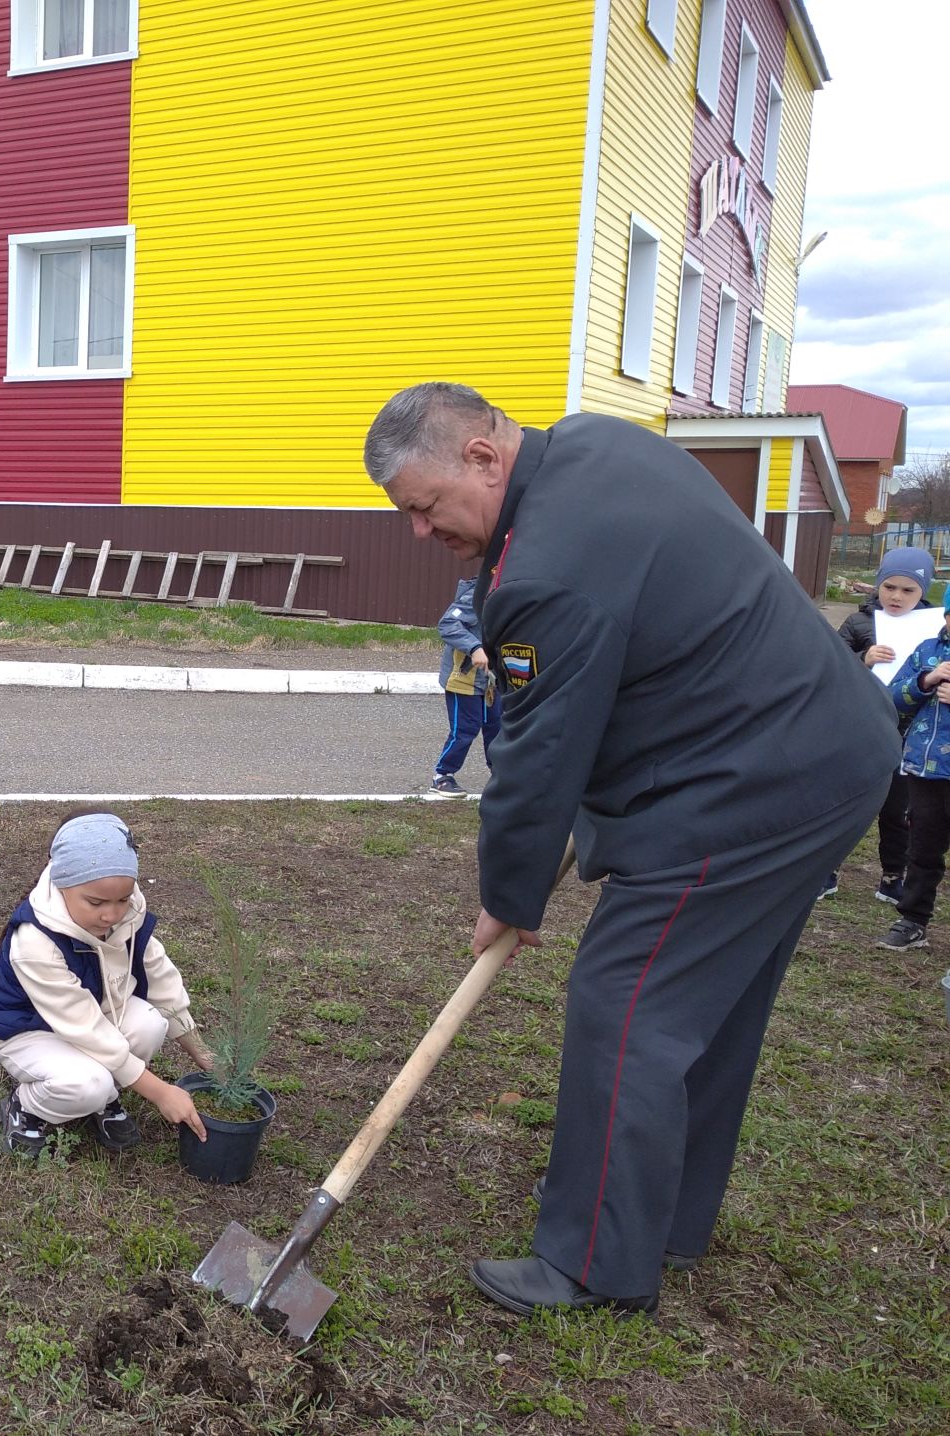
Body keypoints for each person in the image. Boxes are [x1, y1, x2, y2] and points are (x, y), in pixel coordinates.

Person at [364, 382, 895, 1317]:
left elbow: (535, 759)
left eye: (422, 506)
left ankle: (596, 1263)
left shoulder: (544, 573)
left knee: (628, 1003)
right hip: (826, 752)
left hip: (747, 784)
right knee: (708, 1005)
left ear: (483, 458)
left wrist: (510, 895)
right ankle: (667, 1222)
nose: (418, 531)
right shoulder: (596, 445)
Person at [0, 812, 215, 1158]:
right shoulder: (34, 944)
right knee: (88, 1084)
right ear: (62, 884)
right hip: (26, 1029)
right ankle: (25, 1106)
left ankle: (107, 1096)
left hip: (91, 1011)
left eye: (122, 900)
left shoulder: (122, 901)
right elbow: (84, 1028)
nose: (112, 915)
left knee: (150, 1024)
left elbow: (158, 972)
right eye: (97, 903)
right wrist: (160, 1092)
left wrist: (201, 1051)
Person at [821, 546, 933, 903]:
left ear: (923, 591)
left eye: (908, 590)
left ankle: (891, 877)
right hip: (859, 728)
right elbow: (829, 667)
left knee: (898, 809)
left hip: (909, 732)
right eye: (889, 587)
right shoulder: (858, 623)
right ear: (878, 586)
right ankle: (827, 871)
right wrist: (862, 659)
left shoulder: (934, 629)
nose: (897, 597)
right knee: (846, 802)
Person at [876, 614, 950, 952]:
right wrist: (927, 680)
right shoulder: (927, 651)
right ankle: (913, 920)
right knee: (923, 848)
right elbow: (893, 698)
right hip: (926, 769)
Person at [432, 576, 500, 795]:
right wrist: (474, 648)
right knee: (464, 730)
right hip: (464, 679)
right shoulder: (476, 596)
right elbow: (448, 624)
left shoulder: (511, 594)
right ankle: (442, 775)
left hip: (493, 679)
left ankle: (502, 775)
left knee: (497, 729)